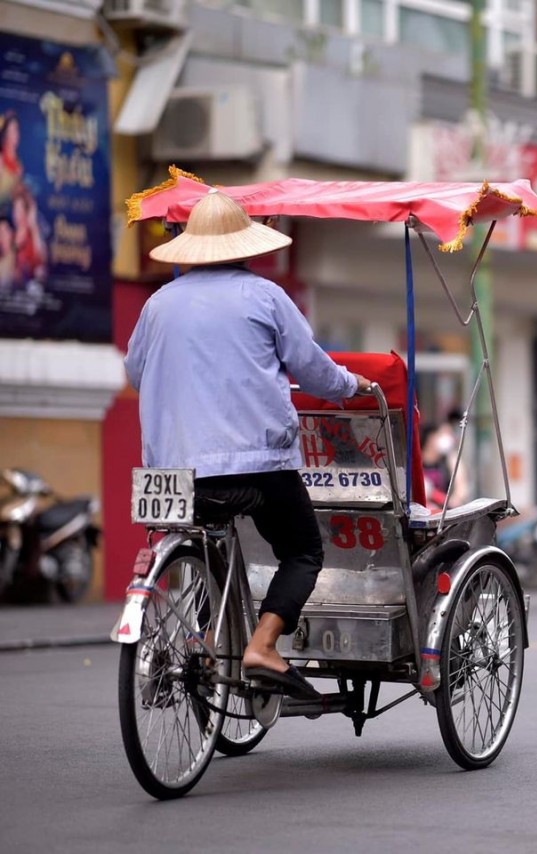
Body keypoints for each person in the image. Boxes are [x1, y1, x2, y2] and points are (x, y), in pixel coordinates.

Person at [124, 188, 371, 700]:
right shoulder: (264, 296)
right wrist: (353, 386)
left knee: (202, 538)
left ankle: (202, 640)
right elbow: (314, 371)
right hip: (255, 463)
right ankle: (262, 645)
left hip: (169, 471)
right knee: (302, 550)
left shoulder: (157, 304)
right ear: (245, 246)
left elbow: (135, 371)